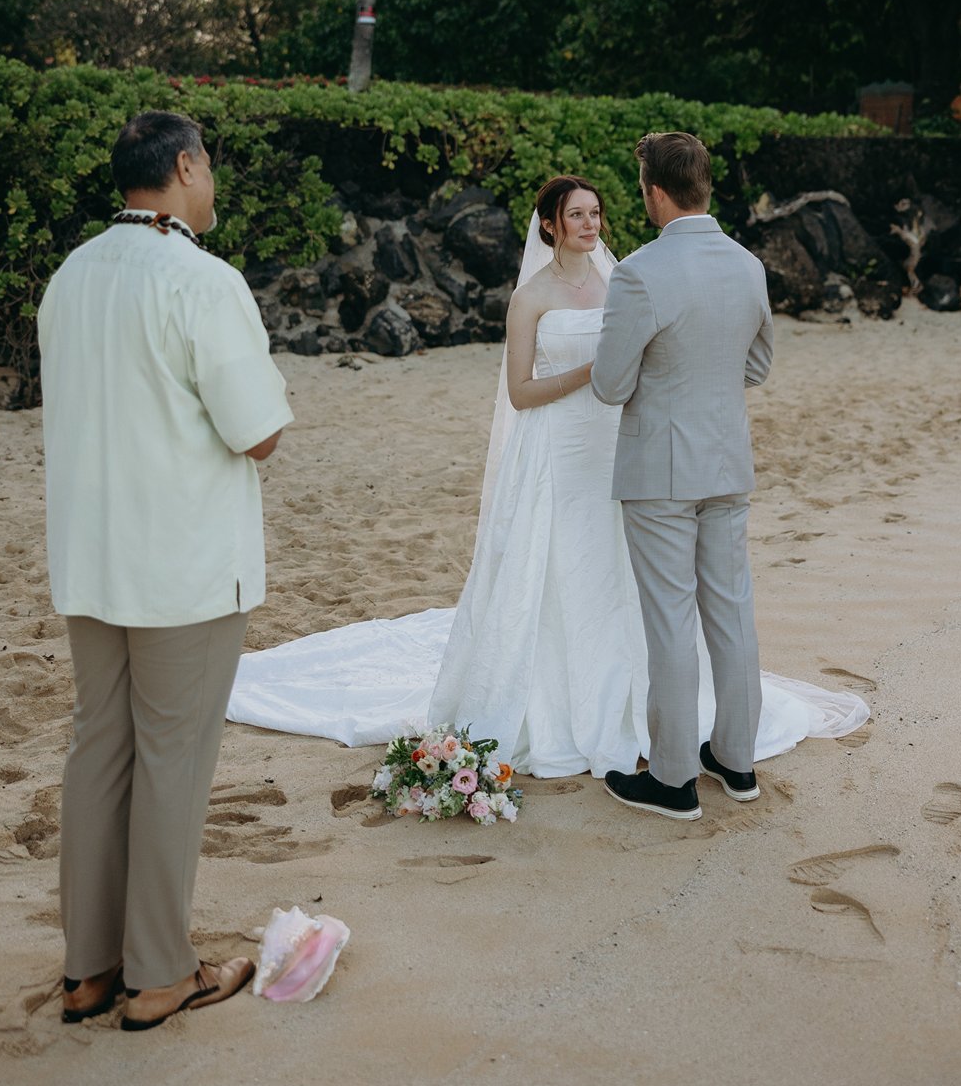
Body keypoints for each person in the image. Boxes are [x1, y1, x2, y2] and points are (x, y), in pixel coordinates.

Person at [227, 173, 867, 778]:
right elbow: (522, 391)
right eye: (576, 216)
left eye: (595, 213)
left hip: (621, 446)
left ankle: (643, 709)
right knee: (559, 568)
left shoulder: (626, 281)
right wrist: (589, 373)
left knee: (623, 574)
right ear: (551, 226)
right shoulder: (531, 299)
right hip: (558, 448)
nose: (590, 224)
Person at [38, 111, 293, 1031]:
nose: (213, 183)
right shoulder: (203, 279)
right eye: (210, 164)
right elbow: (257, 431)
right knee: (172, 762)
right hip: (180, 561)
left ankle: (87, 969)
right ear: (185, 167)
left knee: (98, 750)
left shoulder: (70, 275)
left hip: (91, 554)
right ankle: (156, 973)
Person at [595, 131, 772, 822]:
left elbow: (611, 384)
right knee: (732, 611)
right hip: (728, 459)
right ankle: (736, 760)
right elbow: (757, 366)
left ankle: (672, 780)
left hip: (661, 470)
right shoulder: (748, 264)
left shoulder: (640, 272)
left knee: (670, 620)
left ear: (657, 192)